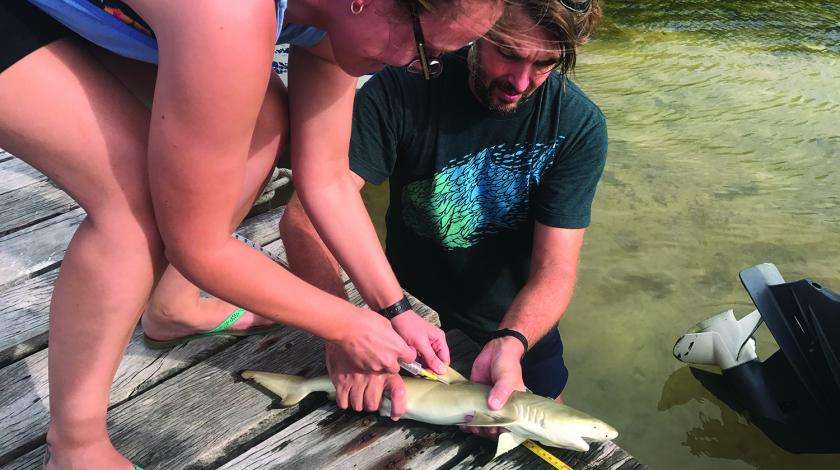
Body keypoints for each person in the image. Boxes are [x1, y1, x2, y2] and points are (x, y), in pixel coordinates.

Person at [0, 0, 507, 468]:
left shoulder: (335, 22)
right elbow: (197, 245)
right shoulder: (233, 14)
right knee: (135, 202)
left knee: (262, 120)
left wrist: (392, 309)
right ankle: (75, 442)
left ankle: (172, 307)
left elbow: (328, 177)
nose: (411, 67)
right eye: (426, 51)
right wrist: (348, 325)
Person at [280, 0, 605, 435]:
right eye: (507, 52)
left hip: (517, 326)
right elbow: (304, 219)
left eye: (545, 64)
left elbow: (556, 269)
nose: (521, 82)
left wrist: (512, 341)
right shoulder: (403, 84)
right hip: (409, 321)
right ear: (479, 26)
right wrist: (340, 329)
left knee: (559, 436)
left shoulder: (578, 125)